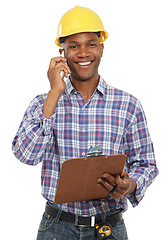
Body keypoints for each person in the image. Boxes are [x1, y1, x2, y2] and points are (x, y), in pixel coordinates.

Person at [12, 5, 159, 240]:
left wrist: (129, 185)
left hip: (108, 228)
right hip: (57, 227)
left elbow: (147, 164)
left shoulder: (128, 105)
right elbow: (26, 155)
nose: (83, 53)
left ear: (101, 48)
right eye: (74, 46)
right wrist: (54, 93)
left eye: (91, 44)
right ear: (63, 52)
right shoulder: (44, 102)